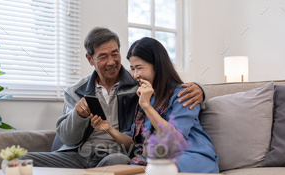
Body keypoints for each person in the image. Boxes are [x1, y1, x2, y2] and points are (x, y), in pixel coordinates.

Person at [20, 27, 206, 168]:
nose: (111, 62)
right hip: (78, 155)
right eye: (103, 56)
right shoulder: (75, 91)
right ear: (89, 59)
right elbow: (68, 139)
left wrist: (200, 90)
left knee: (117, 160)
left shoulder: (139, 85)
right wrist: (77, 115)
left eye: (115, 54)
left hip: (117, 154)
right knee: (21, 160)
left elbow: (168, 91)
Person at [90, 37, 219, 173]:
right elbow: (133, 143)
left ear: (157, 66)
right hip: (156, 158)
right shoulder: (146, 97)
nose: (135, 75)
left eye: (139, 68)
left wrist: (146, 106)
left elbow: (175, 139)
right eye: (132, 69)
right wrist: (108, 128)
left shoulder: (184, 94)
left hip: (191, 155)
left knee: (156, 169)